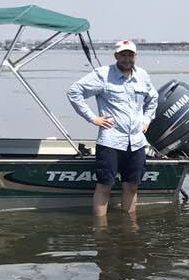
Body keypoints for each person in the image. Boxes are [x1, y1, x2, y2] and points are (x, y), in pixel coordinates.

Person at [66, 40, 157, 216]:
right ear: (116, 56)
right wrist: (93, 118)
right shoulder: (102, 74)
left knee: (132, 186)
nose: (127, 59)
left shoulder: (143, 75)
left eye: (130, 55)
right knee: (104, 186)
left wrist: (146, 120)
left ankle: (129, 225)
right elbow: (74, 92)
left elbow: (153, 98)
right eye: (123, 55)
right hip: (110, 142)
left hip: (136, 142)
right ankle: (100, 228)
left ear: (135, 56)